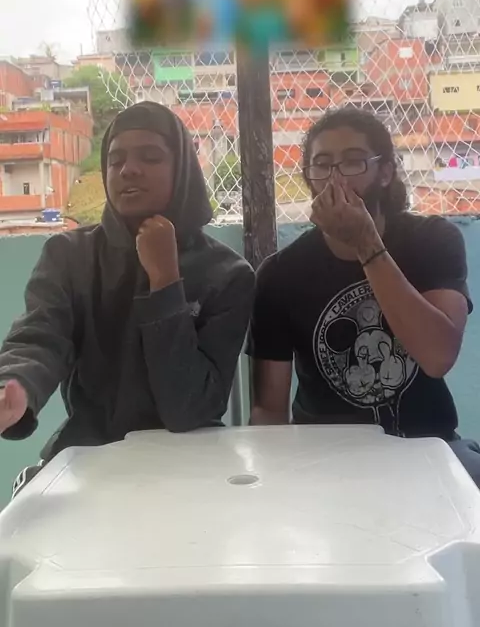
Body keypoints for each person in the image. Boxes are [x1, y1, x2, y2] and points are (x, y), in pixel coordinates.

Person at [0, 102, 254, 495]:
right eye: (115, 159)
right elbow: (41, 335)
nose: (128, 170)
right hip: (92, 459)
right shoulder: (70, 256)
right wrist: (16, 384)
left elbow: (189, 408)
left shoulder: (227, 275)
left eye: (150, 157)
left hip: (190, 470)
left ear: (182, 169)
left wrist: (165, 281)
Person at [248, 106, 480, 485]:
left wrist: (366, 245)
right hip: (327, 458)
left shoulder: (432, 240)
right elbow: (268, 410)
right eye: (322, 164)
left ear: (385, 172)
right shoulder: (279, 274)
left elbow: (438, 357)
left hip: (428, 446)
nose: (336, 177)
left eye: (353, 162)